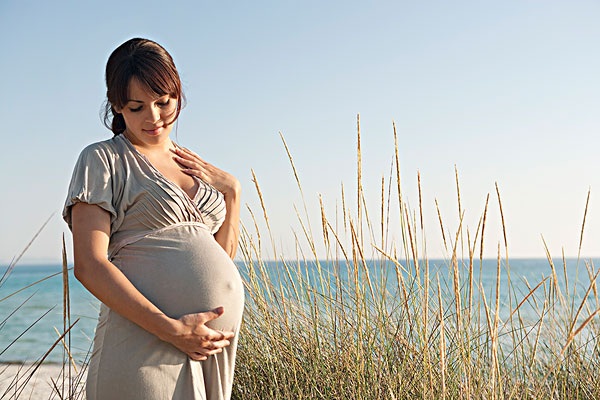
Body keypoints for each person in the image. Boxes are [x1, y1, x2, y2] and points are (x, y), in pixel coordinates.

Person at [63, 38, 245, 400]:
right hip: (145, 348)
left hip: (208, 350)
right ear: (117, 106)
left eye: (164, 102)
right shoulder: (104, 160)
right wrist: (172, 330)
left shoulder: (194, 165)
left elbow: (220, 262)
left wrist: (233, 192)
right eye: (136, 107)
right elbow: (89, 264)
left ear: (178, 93)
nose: (154, 118)